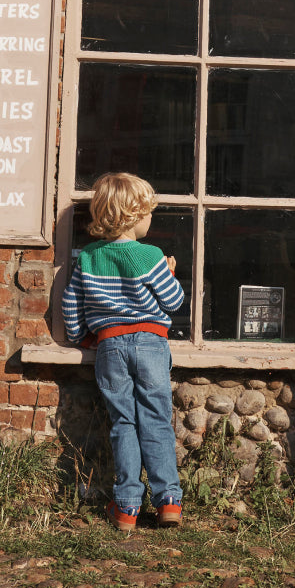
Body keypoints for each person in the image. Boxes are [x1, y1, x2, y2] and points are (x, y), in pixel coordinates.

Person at [62, 171, 185, 532]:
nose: (150, 219)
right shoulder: (149, 255)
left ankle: (127, 507)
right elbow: (174, 300)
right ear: (133, 216)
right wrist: (169, 273)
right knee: (157, 419)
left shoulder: (88, 257)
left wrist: (84, 338)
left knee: (123, 422)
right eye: (148, 213)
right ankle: (168, 502)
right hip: (150, 344)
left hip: (110, 346)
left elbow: (72, 308)